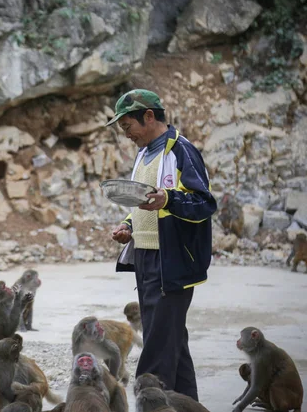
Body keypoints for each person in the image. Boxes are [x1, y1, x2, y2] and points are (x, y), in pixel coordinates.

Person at [105, 89, 217, 401]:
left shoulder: (181, 151)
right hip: (146, 259)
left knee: (156, 348)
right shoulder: (143, 154)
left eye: (128, 126)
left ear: (150, 116)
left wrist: (168, 199)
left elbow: (204, 203)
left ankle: (149, 402)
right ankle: (188, 405)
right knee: (172, 341)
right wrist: (128, 226)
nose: (127, 135)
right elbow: (140, 203)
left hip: (172, 263)